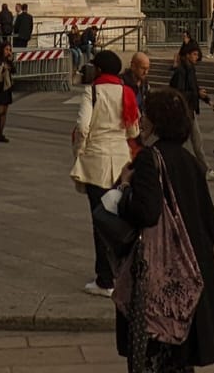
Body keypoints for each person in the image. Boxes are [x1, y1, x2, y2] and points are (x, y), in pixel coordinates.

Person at [104, 88, 214, 369]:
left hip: (159, 279)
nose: (142, 119)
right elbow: (210, 220)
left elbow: (146, 213)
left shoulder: (150, 158)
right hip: (191, 274)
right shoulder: (191, 162)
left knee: (151, 353)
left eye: (147, 114)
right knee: (179, 358)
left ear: (158, 121)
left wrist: (124, 188)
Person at [70, 48, 140, 298]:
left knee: (100, 221)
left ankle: (105, 279)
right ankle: (122, 273)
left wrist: (80, 151)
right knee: (119, 221)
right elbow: (133, 131)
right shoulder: (127, 92)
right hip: (121, 164)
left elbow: (82, 126)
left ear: (99, 70)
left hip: (97, 163)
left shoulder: (93, 91)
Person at [168, 44, 214, 177]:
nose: (197, 57)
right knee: (188, 143)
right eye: (194, 54)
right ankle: (184, 170)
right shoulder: (181, 71)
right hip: (183, 112)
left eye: (197, 55)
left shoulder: (191, 70)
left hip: (189, 110)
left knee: (196, 142)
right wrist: (197, 94)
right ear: (187, 55)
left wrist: (207, 100)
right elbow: (179, 93)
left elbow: (195, 89)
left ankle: (205, 170)